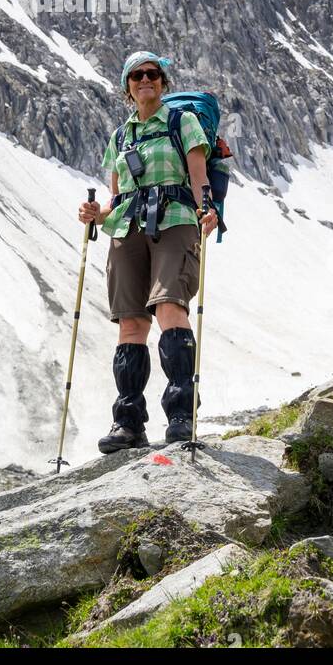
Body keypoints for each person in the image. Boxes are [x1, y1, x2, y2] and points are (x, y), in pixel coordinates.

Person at [78, 50, 218, 453]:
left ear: (162, 81)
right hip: (126, 227)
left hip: (175, 220)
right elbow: (116, 198)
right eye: (137, 76)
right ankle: (128, 423)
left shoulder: (183, 122)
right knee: (131, 323)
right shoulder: (121, 137)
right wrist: (95, 214)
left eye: (152, 74)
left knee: (170, 306)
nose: (145, 80)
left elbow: (198, 177)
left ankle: (181, 415)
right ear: (127, 86)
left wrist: (205, 211)